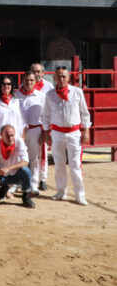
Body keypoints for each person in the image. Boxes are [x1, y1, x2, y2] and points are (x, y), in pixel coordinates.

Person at [41, 67, 91, 206]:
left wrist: (86, 131)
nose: (61, 79)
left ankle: (79, 194)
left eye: (64, 76)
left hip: (74, 133)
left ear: (68, 78)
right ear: (54, 78)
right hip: (57, 133)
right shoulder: (50, 95)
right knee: (59, 164)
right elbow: (45, 115)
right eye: (58, 76)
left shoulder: (77, 92)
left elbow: (84, 113)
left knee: (75, 164)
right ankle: (61, 191)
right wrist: (46, 133)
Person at [0, 125, 35, 208]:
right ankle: (3, 189)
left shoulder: (19, 141)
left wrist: (8, 168)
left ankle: (26, 196)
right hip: (3, 175)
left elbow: (25, 161)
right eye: (8, 136)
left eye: (12, 135)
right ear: (1, 135)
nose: (11, 138)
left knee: (25, 171)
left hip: (17, 174)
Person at [15, 71, 46, 194]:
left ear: (36, 81)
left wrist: (44, 132)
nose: (29, 82)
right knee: (18, 157)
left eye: (31, 80)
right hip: (19, 131)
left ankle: (33, 184)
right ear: (22, 81)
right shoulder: (16, 95)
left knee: (34, 159)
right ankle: (18, 182)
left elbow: (45, 116)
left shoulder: (41, 96)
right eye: (26, 80)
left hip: (35, 130)